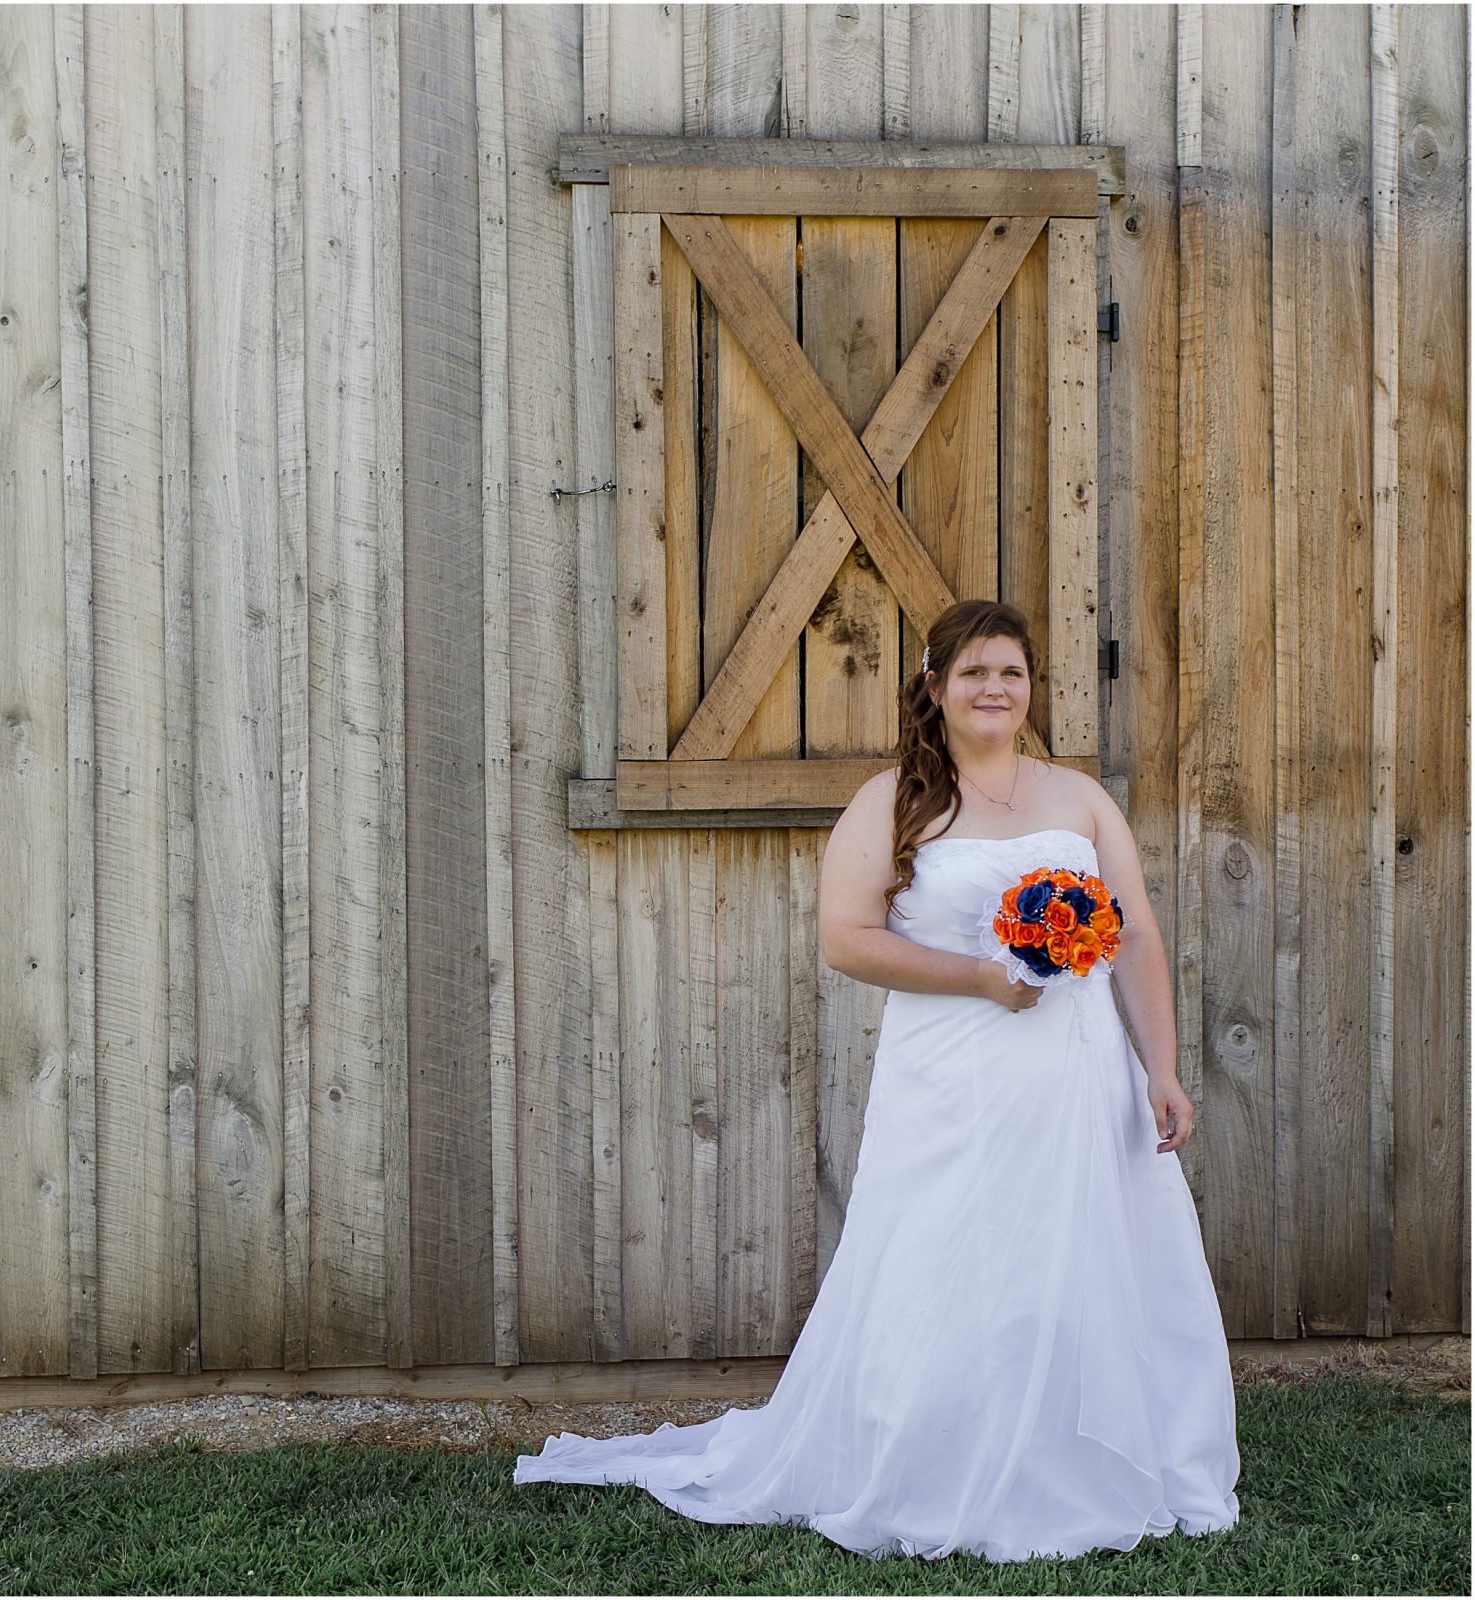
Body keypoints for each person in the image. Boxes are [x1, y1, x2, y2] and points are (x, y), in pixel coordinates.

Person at [514, 599, 1242, 1562]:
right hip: (951, 1072)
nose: (994, 689)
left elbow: (1136, 931)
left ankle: (1081, 1453)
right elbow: (847, 939)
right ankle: (937, 1459)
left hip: (1075, 1073)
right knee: (948, 1252)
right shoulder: (891, 799)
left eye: (1012, 673)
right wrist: (982, 977)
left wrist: (1163, 1065)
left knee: (1081, 1248)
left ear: (1029, 690)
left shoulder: (1078, 798)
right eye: (974, 672)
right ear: (934, 686)